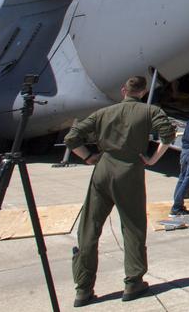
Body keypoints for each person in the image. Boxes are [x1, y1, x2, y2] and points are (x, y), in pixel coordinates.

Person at [64, 75, 176, 306]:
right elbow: (167, 135)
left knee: (89, 227)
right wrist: (153, 159)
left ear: (123, 89)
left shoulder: (104, 113)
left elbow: (72, 137)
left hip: (103, 169)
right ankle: (133, 282)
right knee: (133, 226)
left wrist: (88, 156)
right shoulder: (150, 111)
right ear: (143, 92)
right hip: (130, 171)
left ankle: (83, 288)